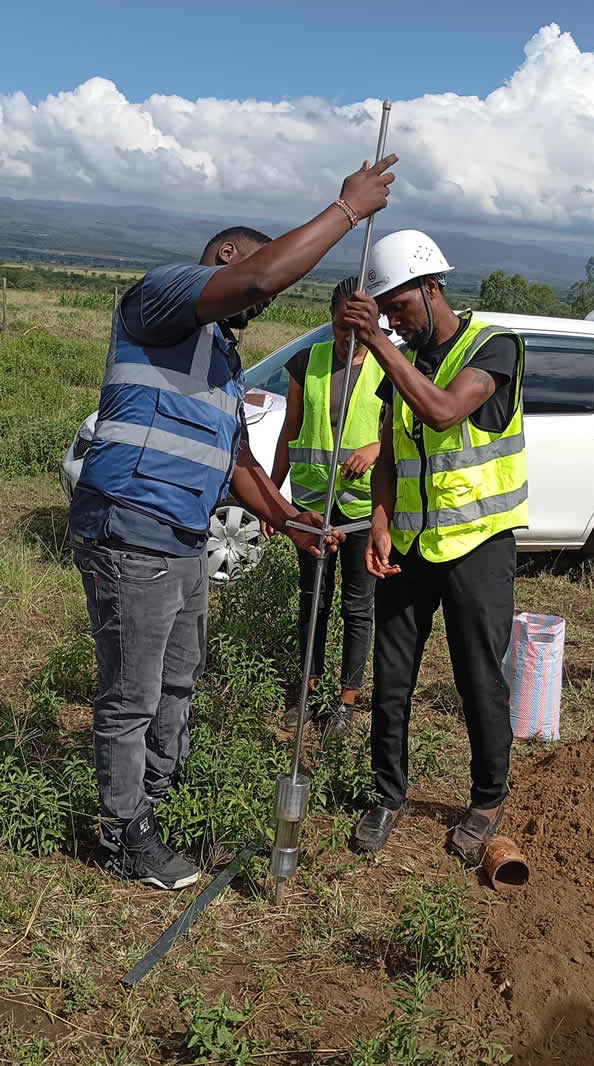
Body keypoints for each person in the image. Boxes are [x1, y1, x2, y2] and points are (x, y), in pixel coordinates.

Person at [68, 152, 397, 890]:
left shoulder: (217, 356)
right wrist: (347, 210)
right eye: (249, 284)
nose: (258, 308)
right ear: (224, 255)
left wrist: (287, 518)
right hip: (132, 523)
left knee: (180, 677)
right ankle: (123, 834)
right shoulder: (163, 296)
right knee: (133, 693)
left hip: (181, 534)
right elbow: (259, 277)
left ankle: (158, 795)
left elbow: (239, 464)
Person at [340, 230, 527, 859]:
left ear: (431, 285)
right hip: (411, 547)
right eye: (386, 312)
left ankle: (486, 796)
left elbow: (445, 411)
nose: (395, 320)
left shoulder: (492, 347)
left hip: (478, 545)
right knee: (391, 679)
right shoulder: (406, 359)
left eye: (401, 307)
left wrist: (377, 344)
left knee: (479, 676)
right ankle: (387, 795)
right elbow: (391, 446)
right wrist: (382, 521)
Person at [266, 277, 384, 739]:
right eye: (340, 326)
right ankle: (308, 693)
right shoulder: (307, 361)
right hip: (313, 505)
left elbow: (401, 431)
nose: (348, 337)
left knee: (358, 607)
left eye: (358, 328)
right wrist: (275, 501)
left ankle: (346, 703)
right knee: (314, 602)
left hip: (362, 506)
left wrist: (374, 448)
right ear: (333, 318)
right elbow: (289, 431)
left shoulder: (389, 366)